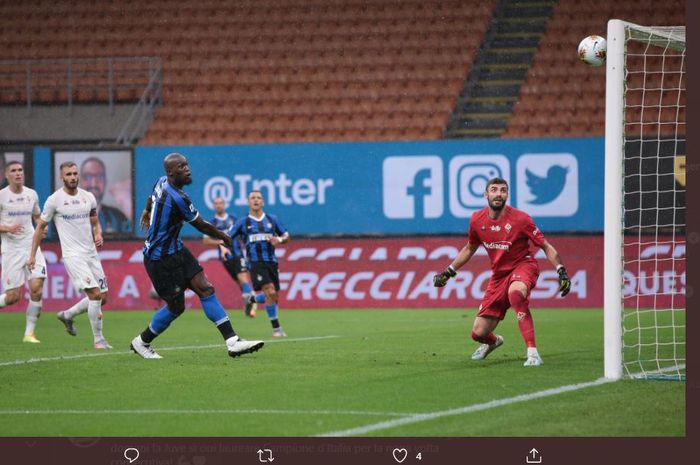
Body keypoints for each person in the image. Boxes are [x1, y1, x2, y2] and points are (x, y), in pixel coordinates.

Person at [130, 152, 264, 359]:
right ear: (172, 173)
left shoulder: (161, 181)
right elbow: (200, 224)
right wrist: (225, 238)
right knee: (176, 307)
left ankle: (232, 341)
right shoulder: (177, 198)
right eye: (182, 168)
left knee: (205, 287)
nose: (188, 170)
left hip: (177, 249)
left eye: (187, 165)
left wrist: (147, 209)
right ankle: (141, 342)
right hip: (160, 259)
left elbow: (151, 196)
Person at [432, 177, 571, 367]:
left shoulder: (521, 219)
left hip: (523, 265)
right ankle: (494, 342)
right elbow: (469, 248)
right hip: (498, 276)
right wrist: (448, 272)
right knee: (478, 333)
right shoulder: (476, 220)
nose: (499, 194)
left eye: (503, 190)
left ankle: (532, 352)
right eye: (494, 190)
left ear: (507, 195)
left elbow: (545, 246)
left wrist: (561, 271)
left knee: (515, 295)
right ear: (486, 194)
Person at [27, 161, 112, 349]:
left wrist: (98, 233)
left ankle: (67, 315)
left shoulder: (88, 197)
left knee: (103, 297)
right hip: (73, 255)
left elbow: (95, 221)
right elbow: (39, 227)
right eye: (68, 174)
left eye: (75, 173)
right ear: (61, 177)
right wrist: (32, 255)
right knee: (96, 295)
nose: (73, 177)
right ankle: (99, 340)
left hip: (91, 253)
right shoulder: (54, 200)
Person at [228, 190, 290, 337]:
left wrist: (279, 240)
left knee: (273, 297)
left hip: (272, 262)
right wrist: (223, 247)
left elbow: (286, 235)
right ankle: (276, 329)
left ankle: (252, 299)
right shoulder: (243, 222)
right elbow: (227, 237)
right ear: (248, 202)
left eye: (259, 198)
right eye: (252, 198)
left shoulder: (272, 219)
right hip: (255, 263)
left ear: (263, 202)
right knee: (270, 292)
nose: (256, 200)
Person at [0, 160, 47, 343]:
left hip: (31, 247)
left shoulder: (31, 194)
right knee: (13, 297)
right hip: (11, 250)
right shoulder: (2, 196)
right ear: (7, 175)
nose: (18, 173)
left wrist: (41, 227)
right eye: (14, 170)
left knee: (36, 289)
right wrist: (7, 228)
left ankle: (29, 334)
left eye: (20, 170)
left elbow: (37, 215)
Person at [203, 196, 256, 317]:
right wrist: (221, 243)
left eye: (220, 203)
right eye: (216, 203)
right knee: (240, 282)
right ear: (213, 206)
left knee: (243, 279)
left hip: (238, 254)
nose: (218, 205)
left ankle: (251, 305)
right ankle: (249, 304)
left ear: (224, 205)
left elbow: (242, 234)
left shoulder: (233, 219)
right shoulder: (212, 223)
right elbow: (206, 241)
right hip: (226, 258)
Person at [80, 157, 131, 235]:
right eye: (88, 177)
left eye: (99, 177)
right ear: (80, 181)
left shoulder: (118, 217)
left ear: (105, 181)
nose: (94, 183)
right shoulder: (64, 217)